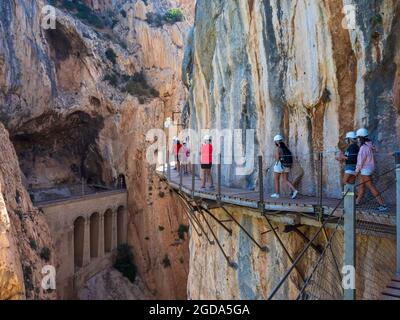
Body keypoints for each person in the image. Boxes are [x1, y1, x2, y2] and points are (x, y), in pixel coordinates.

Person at [355, 128, 388, 212]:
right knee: (361, 186)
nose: (358, 139)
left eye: (358, 137)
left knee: (371, 186)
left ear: (361, 138)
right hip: (368, 168)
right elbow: (375, 149)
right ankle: (356, 203)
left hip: (365, 169)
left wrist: (356, 171)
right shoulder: (369, 145)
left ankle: (383, 204)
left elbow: (360, 161)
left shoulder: (363, 148)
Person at [271, 135, 299, 199]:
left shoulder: (278, 148)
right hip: (287, 166)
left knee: (276, 179)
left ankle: (277, 194)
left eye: (275, 141)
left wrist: (275, 156)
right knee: (285, 180)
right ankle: (294, 190)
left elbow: (277, 158)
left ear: (276, 142)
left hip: (279, 165)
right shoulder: (286, 148)